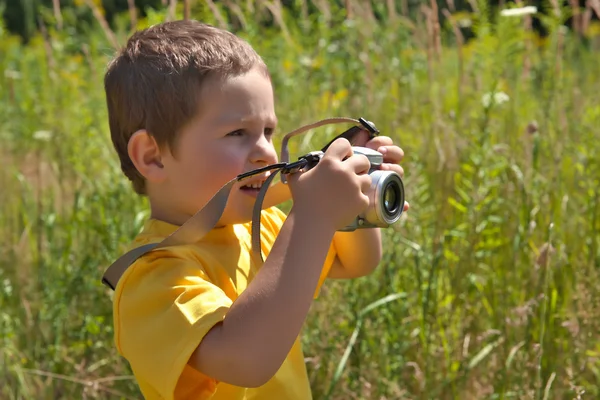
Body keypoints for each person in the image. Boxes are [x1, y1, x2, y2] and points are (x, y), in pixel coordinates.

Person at [103, 19, 408, 400]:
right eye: (237, 134)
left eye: (267, 131)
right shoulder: (151, 281)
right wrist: (313, 215)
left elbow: (356, 263)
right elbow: (247, 361)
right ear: (153, 156)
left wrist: (357, 194)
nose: (265, 151)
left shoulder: (261, 226)